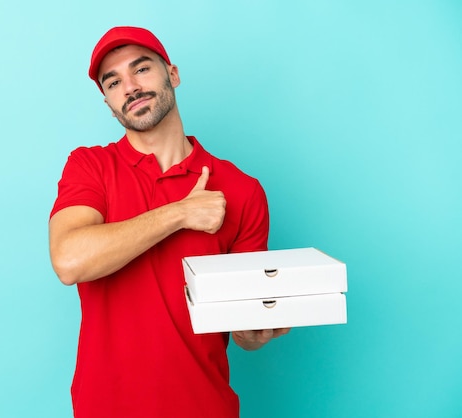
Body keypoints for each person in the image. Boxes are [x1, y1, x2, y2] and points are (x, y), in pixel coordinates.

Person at [49, 26, 290, 418]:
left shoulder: (242, 190)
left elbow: (244, 329)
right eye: (113, 82)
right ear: (108, 100)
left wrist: (254, 330)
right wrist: (179, 213)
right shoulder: (90, 167)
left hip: (205, 407)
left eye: (141, 69)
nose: (129, 87)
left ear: (172, 74)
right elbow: (68, 260)